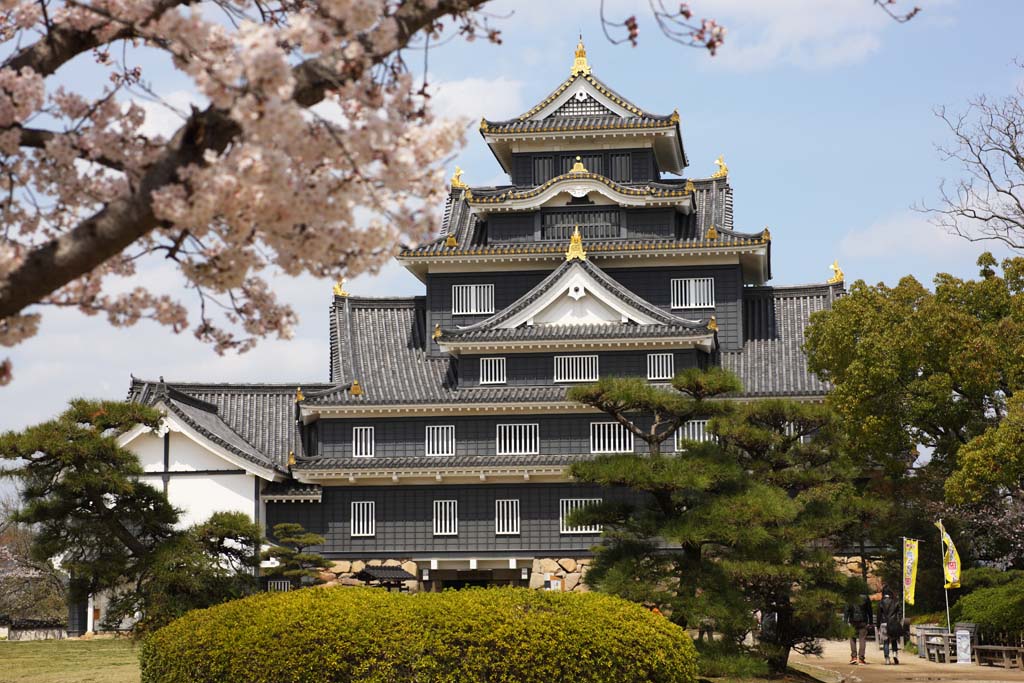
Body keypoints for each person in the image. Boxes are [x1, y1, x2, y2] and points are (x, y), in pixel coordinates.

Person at [844, 593, 873, 665]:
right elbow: (869, 610)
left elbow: (847, 609)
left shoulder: (851, 596)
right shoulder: (866, 597)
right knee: (862, 639)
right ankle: (861, 658)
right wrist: (871, 621)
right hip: (863, 621)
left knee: (852, 638)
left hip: (853, 621)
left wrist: (845, 621)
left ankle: (853, 657)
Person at [876, 586, 902, 665]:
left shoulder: (881, 602)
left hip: (884, 624)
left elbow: (879, 615)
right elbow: (900, 612)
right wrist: (898, 620)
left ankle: (887, 658)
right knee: (894, 640)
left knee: (886, 642)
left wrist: (877, 626)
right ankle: (895, 654)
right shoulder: (895, 601)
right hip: (893, 623)